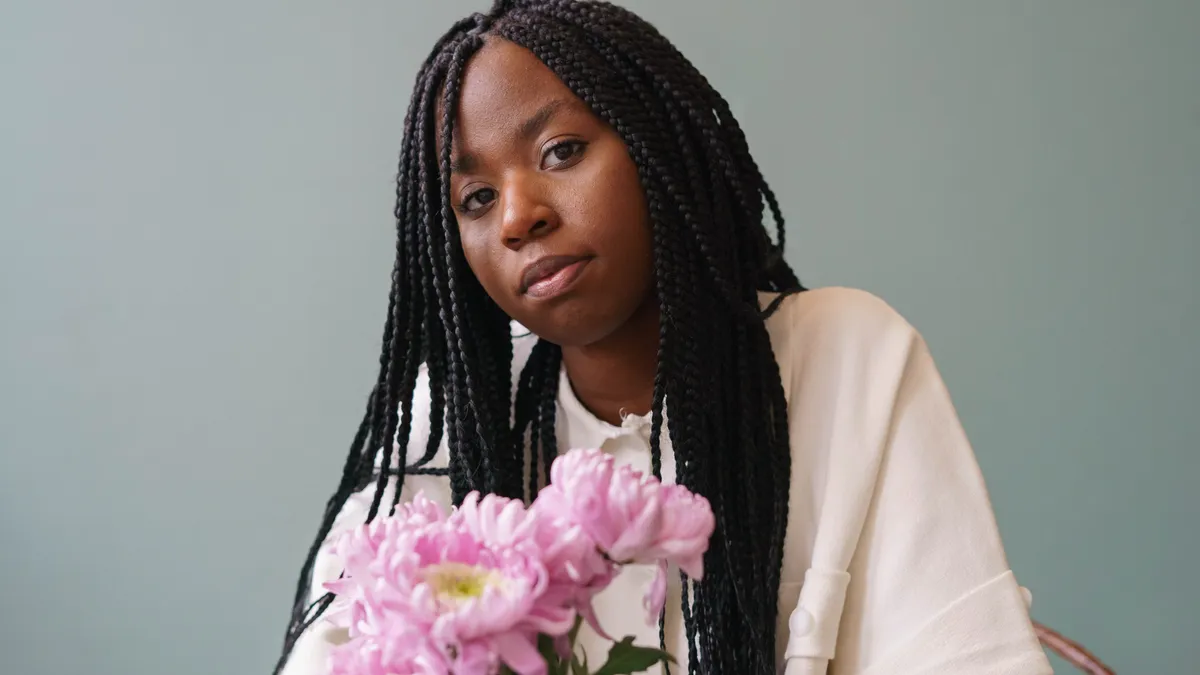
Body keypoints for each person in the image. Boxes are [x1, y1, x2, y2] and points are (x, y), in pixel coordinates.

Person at [274, 1, 1053, 674]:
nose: (517, 217)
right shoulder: (449, 421)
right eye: (475, 197)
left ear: (659, 148)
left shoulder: (850, 362)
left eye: (562, 152)